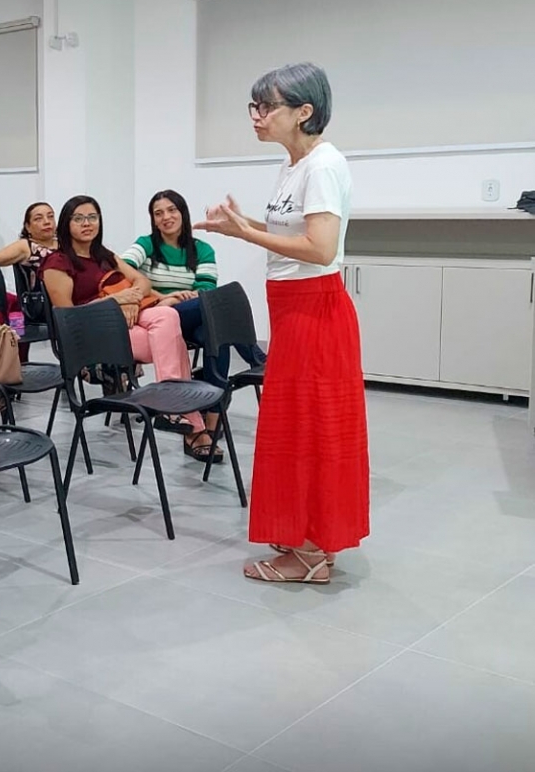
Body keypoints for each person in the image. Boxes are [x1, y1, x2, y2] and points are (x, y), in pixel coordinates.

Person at [196, 62, 366, 585]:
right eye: (255, 106)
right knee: (297, 427)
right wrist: (241, 225)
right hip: (293, 308)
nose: (257, 115)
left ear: (303, 111)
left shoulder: (323, 166)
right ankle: (309, 537)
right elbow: (294, 234)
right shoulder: (295, 165)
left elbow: (320, 248)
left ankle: (310, 554)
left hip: (315, 311)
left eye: (267, 106)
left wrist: (248, 235)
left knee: (311, 429)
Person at [38, 196, 215, 455]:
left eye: (92, 217)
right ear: (66, 223)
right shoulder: (57, 263)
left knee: (168, 317)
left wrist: (130, 300)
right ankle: (191, 422)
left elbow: (142, 281)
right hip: (93, 332)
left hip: (126, 319)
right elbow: (68, 317)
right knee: (172, 343)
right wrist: (115, 302)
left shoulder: (104, 255)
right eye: (79, 218)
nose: (87, 223)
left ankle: (172, 407)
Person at [123, 191, 266, 396]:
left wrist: (184, 297)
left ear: (183, 213)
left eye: (172, 210)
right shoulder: (146, 244)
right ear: (153, 220)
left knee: (215, 332)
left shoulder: (202, 249)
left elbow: (206, 289)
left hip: (191, 314)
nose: (166, 217)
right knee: (222, 302)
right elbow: (122, 270)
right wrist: (163, 297)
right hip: (158, 314)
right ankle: (258, 360)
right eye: (158, 213)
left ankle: (213, 406)